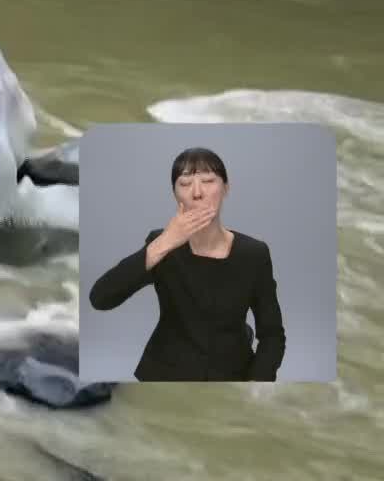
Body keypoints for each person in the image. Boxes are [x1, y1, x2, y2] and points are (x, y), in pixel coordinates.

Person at [88, 146, 286, 381]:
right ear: (175, 194)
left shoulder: (254, 253)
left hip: (232, 377)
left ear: (226, 188)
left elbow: (272, 335)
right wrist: (164, 243)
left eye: (208, 181)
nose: (197, 192)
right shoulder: (160, 245)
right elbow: (100, 298)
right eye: (185, 184)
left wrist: (256, 383)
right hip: (164, 377)